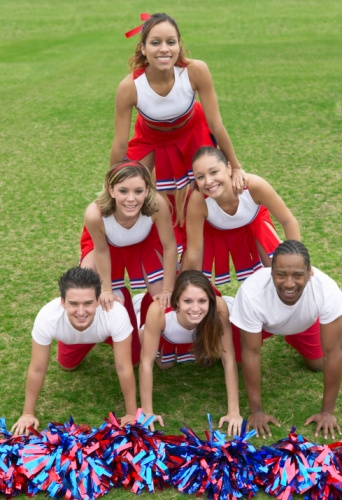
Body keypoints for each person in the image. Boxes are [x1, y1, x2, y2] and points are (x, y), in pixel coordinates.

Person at [110, 12, 247, 231]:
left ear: (178, 46)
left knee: (207, 186)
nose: (164, 49)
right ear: (143, 48)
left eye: (170, 42)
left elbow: (216, 125)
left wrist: (236, 167)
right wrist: (113, 184)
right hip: (151, 138)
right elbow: (120, 144)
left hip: (193, 131)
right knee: (133, 190)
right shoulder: (130, 87)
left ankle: (203, 234)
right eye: (155, 43)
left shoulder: (195, 71)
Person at [229, 240, 342, 439]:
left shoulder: (327, 290)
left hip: (303, 323)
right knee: (238, 363)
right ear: (271, 271)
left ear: (310, 273)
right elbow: (251, 353)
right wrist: (256, 411)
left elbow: (333, 353)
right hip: (261, 324)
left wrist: (327, 412)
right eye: (281, 274)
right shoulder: (252, 291)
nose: (289, 283)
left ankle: (293, 338)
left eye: (298, 275)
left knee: (318, 364)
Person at [11, 267, 137, 436]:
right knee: (67, 365)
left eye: (88, 303)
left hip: (108, 332)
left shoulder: (115, 313)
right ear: (62, 302)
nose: (81, 311)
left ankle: (135, 304)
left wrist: (131, 413)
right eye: (73, 303)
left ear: (98, 300)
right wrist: (27, 413)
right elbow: (37, 369)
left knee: (135, 361)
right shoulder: (47, 317)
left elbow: (123, 367)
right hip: (73, 337)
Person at [138, 270, 243, 436]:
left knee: (216, 357)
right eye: (187, 301)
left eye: (202, 301)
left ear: (210, 300)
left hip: (205, 329)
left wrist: (234, 412)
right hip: (168, 333)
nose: (195, 308)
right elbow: (146, 363)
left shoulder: (218, 307)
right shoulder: (158, 311)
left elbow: (228, 359)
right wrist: (147, 412)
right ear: (177, 301)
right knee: (164, 364)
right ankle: (139, 307)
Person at [182, 146, 301, 285]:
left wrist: (298, 260)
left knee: (282, 271)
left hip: (255, 224)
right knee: (195, 282)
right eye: (200, 177)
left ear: (229, 168)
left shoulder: (253, 186)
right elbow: (194, 252)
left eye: (214, 172)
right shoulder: (198, 200)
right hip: (212, 233)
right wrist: (180, 290)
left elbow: (288, 222)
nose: (208, 181)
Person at [81, 160, 178, 312]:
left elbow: (169, 246)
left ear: (147, 190)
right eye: (123, 191)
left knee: (166, 304)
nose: (131, 198)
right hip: (106, 246)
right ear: (111, 190)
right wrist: (106, 290)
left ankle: (144, 310)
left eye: (138, 191)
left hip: (146, 243)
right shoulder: (95, 214)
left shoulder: (157, 205)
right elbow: (101, 250)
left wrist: (167, 289)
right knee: (85, 291)